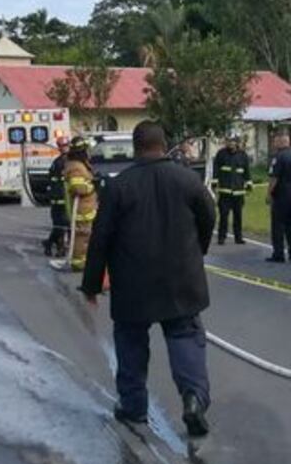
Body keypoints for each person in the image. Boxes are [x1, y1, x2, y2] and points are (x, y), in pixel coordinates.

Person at [81, 120, 216, 436]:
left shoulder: (118, 187)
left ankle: (133, 407)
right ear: (164, 144)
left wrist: (90, 284)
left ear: (135, 147)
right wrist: (199, 250)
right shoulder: (188, 180)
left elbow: (100, 238)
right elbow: (209, 216)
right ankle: (193, 397)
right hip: (181, 280)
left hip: (132, 284)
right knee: (184, 337)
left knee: (130, 343)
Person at [266, 132, 291, 263]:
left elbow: (274, 178)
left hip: (281, 195)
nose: (274, 143)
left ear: (281, 142)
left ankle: (279, 254)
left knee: (278, 225)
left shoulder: (278, 157)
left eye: (276, 141)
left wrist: (269, 193)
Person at [62, 136, 98, 271]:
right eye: (87, 150)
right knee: (82, 236)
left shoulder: (80, 164)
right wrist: (93, 186)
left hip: (86, 208)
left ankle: (84, 260)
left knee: (86, 236)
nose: (89, 152)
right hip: (81, 210)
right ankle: (78, 263)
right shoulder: (76, 167)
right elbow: (77, 187)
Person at [211, 134, 252, 245]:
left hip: (238, 191)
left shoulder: (243, 155)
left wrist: (249, 184)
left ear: (237, 142)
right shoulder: (221, 154)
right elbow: (216, 170)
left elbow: (247, 171)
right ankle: (221, 237)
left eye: (233, 141)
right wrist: (214, 183)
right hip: (225, 191)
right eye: (229, 141)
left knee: (238, 216)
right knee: (224, 216)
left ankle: (238, 238)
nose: (230, 143)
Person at [43, 135, 71, 258]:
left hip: (65, 198)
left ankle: (59, 247)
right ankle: (56, 247)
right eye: (62, 146)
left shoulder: (66, 161)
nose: (64, 148)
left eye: (66, 145)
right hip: (59, 198)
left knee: (67, 225)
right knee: (60, 225)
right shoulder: (59, 162)